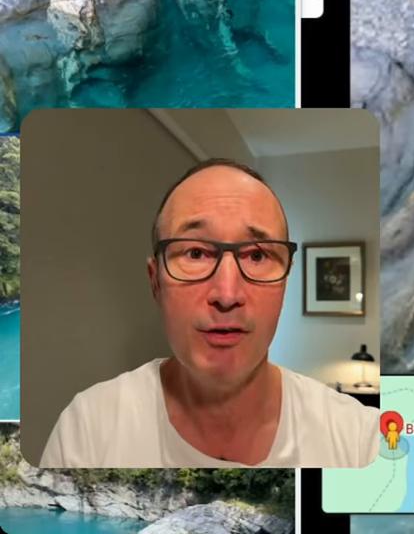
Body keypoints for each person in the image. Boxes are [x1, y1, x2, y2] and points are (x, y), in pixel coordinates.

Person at [38, 159, 378, 467]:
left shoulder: (360, 441)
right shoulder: (87, 430)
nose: (227, 295)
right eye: (196, 253)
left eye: (257, 256)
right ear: (156, 282)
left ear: (285, 283)